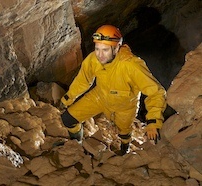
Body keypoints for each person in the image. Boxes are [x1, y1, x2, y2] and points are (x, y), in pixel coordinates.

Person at [60, 25, 166, 155]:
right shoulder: (93, 59)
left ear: (116, 48)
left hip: (125, 106)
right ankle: (77, 144)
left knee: (124, 131)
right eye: (97, 49)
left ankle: (125, 146)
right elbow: (83, 80)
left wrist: (153, 122)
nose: (100, 55)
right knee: (68, 119)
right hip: (100, 97)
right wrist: (68, 97)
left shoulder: (131, 65)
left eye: (105, 50)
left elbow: (156, 92)